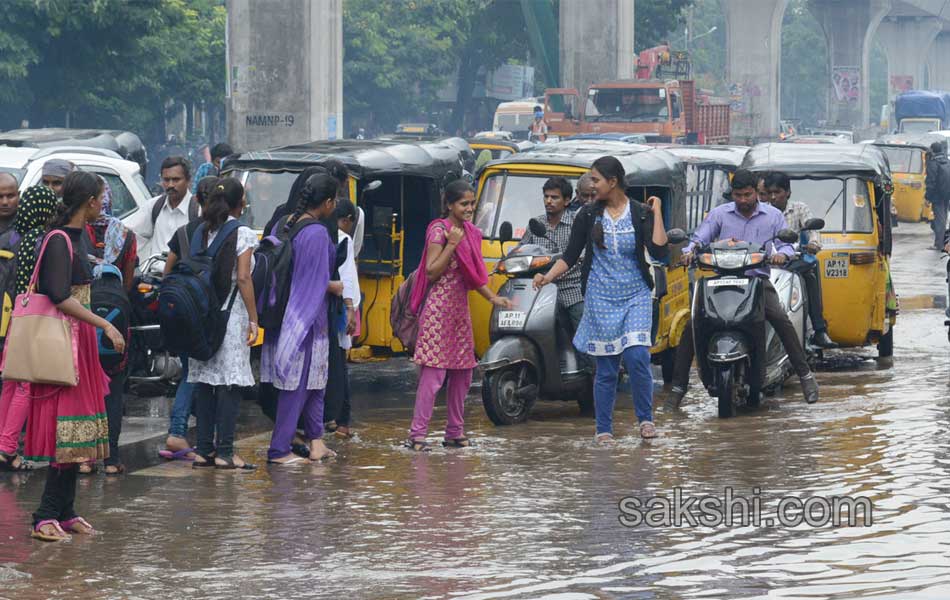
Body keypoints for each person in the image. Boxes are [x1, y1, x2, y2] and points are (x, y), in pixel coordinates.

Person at [12, 171, 124, 541]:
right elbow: (59, 295)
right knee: (67, 433)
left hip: (80, 346)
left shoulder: (77, 238)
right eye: (101, 197)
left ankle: (66, 510)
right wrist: (105, 326)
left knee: (78, 435)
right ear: (90, 202)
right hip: (66, 346)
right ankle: (44, 515)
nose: (103, 203)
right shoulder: (59, 240)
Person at [536, 157, 669, 442]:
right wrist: (547, 277)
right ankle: (604, 429)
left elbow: (659, 251)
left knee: (637, 357)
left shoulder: (641, 213)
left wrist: (657, 212)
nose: (591, 185)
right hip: (600, 297)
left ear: (613, 181)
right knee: (606, 369)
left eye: (595, 180)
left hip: (635, 295)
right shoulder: (587, 215)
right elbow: (570, 256)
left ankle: (645, 420)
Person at [668, 169, 820, 409]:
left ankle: (805, 376)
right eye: (738, 195)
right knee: (692, 325)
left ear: (756, 193)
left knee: (781, 320)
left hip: (756, 282)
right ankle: (678, 388)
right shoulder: (719, 214)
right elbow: (699, 238)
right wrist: (689, 252)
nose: (742, 200)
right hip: (719, 282)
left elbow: (785, 245)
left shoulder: (772, 216)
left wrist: (782, 254)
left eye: (747, 195)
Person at [406, 180, 513, 451]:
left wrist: (492, 298)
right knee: (434, 377)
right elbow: (431, 271)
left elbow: (473, 276)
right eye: (464, 204)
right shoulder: (440, 231)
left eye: (472, 203)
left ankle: (455, 431)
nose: (469, 208)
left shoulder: (472, 233)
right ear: (450, 205)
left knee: (464, 374)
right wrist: (452, 244)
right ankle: (417, 435)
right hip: (438, 310)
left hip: (459, 311)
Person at [164, 178, 258, 471]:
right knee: (230, 384)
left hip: (200, 319)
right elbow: (243, 278)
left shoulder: (198, 231)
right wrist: (254, 318)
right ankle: (225, 452)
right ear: (238, 204)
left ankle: (204, 451)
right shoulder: (241, 233)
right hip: (229, 317)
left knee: (204, 382)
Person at [262, 173, 338, 464]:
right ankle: (279, 449)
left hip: (286, 315)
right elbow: (312, 284)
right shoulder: (317, 233)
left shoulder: (287, 222)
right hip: (304, 320)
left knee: (317, 383)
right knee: (297, 387)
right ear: (329, 202)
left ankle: (316, 442)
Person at [78, 180, 138, 475]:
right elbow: (127, 283)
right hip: (116, 320)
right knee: (113, 390)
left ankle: (85, 457)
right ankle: (112, 459)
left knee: (83, 388)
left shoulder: (76, 232)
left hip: (81, 315)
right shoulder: (126, 235)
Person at [158, 176, 219, 461]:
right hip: (205, 316)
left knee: (190, 371)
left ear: (197, 200)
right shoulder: (223, 232)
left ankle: (196, 433)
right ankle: (177, 432)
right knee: (194, 375)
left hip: (179, 312)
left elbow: (167, 273)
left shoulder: (184, 233)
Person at [0, 186, 57, 473]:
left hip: (12, 317)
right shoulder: (41, 241)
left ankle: (2, 443)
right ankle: (8, 446)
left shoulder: (12, 238)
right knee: (24, 383)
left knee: (11, 382)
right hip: (34, 317)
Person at [758, 172, 836, 349]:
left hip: (792, 261)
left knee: (810, 269)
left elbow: (812, 229)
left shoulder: (799, 208)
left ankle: (818, 330)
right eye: (769, 192)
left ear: (788, 192)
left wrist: (814, 244)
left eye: (777, 192)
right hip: (766, 263)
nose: (773, 197)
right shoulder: (762, 211)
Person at [518, 177, 585, 331]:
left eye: (554, 197)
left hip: (571, 290)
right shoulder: (535, 224)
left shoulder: (577, 222)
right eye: (546, 196)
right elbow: (522, 249)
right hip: (539, 291)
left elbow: (580, 255)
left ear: (567, 201)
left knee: (583, 341)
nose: (549, 201)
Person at [325, 198, 361, 439]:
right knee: (338, 365)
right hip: (338, 308)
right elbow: (348, 278)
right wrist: (351, 309)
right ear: (346, 221)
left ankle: (330, 418)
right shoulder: (342, 239)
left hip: (322, 309)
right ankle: (342, 421)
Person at [130, 156, 197, 261]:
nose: (170, 185)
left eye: (176, 180)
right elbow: (130, 233)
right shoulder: (154, 206)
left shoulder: (197, 210)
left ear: (188, 181)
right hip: (153, 273)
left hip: (184, 274)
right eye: (166, 180)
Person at [926, 141, 950, 249]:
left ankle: (940, 244)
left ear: (932, 150)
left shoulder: (933, 163)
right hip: (947, 194)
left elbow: (931, 182)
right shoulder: (947, 161)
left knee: (939, 220)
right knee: (942, 218)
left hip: (937, 196)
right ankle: (941, 242)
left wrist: (927, 197)